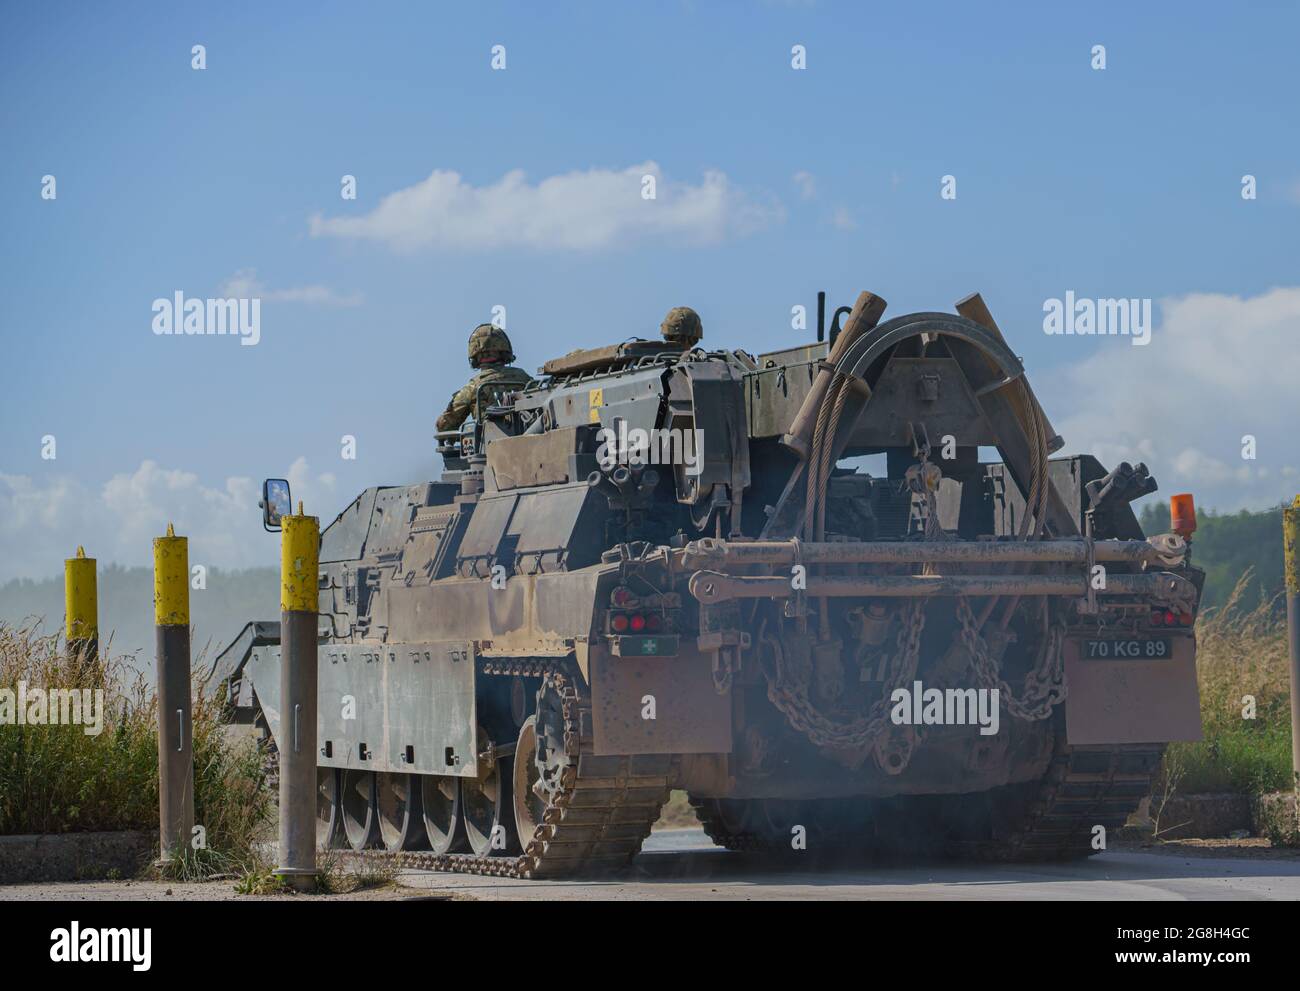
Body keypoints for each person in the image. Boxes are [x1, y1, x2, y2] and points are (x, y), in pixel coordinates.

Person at [436, 324, 531, 432]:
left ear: (475, 354)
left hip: (489, 445)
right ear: (504, 350)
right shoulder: (523, 377)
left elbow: (443, 425)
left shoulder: (472, 387)